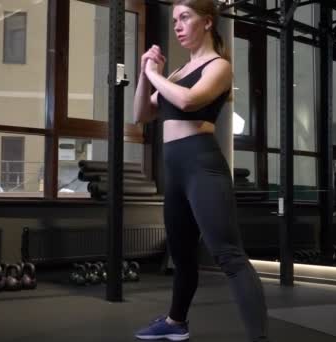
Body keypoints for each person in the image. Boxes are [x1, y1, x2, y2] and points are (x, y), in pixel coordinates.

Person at [132, 1, 270, 341]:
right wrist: (144, 72)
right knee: (181, 255)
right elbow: (141, 114)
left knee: (228, 255)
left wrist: (154, 76)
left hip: (201, 164)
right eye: (175, 19)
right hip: (174, 168)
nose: (178, 25)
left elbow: (189, 102)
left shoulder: (219, 67)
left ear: (207, 23)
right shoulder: (176, 73)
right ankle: (175, 323)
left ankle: (260, 338)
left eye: (185, 18)